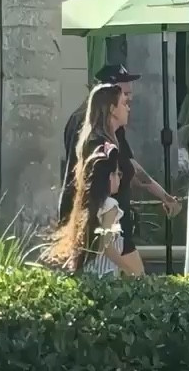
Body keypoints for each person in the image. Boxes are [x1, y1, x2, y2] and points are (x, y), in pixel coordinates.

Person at [59, 78, 177, 277]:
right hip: (103, 221)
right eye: (124, 102)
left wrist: (164, 196)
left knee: (136, 281)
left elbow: (134, 170)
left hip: (116, 225)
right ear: (112, 109)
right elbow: (93, 191)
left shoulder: (113, 139)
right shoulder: (101, 146)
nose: (129, 107)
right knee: (132, 279)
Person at [46, 141, 132, 277]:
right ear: (109, 177)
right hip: (105, 274)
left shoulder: (88, 205)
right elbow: (106, 245)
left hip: (88, 272)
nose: (119, 178)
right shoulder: (111, 206)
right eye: (117, 174)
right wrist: (127, 269)